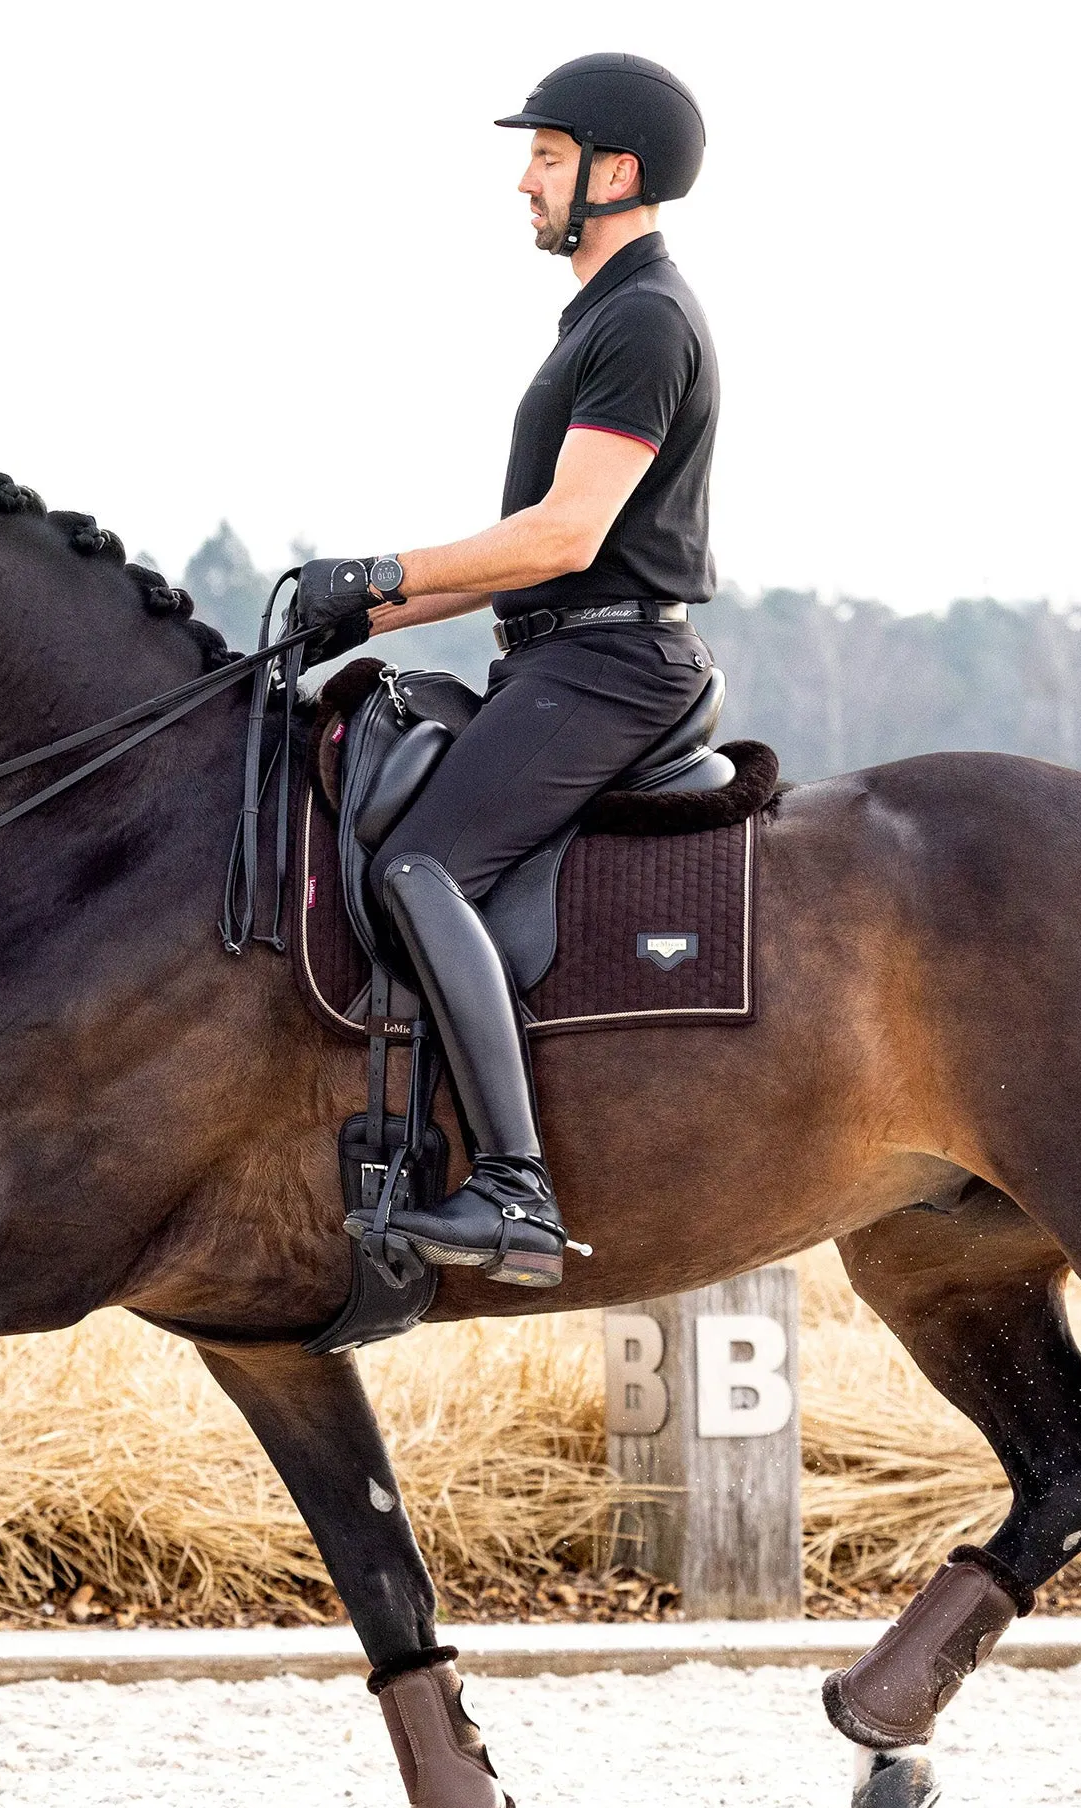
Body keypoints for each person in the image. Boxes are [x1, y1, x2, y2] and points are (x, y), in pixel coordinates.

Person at [296, 52, 717, 1287]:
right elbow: (527, 560)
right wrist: (363, 619)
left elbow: (565, 537)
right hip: (566, 649)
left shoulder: (642, 318)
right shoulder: (598, 314)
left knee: (422, 863)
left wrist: (379, 569)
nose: (520, 180)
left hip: (612, 665)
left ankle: (512, 1190)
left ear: (612, 173)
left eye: (542, 156)